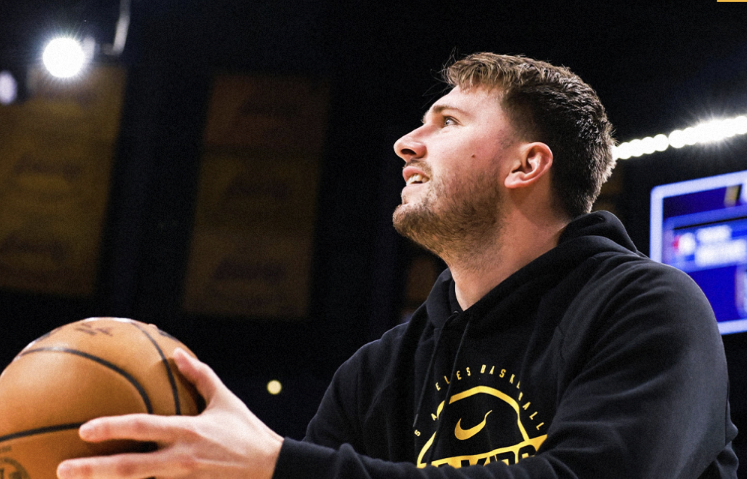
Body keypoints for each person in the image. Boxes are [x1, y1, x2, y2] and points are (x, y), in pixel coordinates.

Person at [57, 52, 738, 478]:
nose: (406, 143)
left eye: (448, 122)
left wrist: (279, 465)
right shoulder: (378, 371)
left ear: (525, 164)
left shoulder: (648, 307)